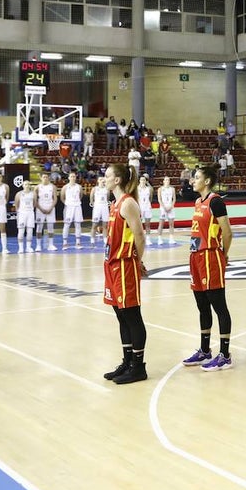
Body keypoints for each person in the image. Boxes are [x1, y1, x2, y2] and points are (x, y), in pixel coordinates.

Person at [182, 163, 236, 371]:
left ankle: (225, 354)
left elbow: (227, 232)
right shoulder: (198, 202)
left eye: (196, 177)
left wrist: (223, 254)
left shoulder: (216, 202)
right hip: (195, 256)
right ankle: (205, 350)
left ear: (206, 181)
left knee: (219, 305)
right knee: (202, 305)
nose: (193, 180)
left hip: (210, 256)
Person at [100, 163, 149, 385]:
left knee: (131, 315)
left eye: (108, 175)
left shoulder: (128, 203)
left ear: (117, 180)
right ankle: (127, 361)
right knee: (121, 315)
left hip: (124, 265)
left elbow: (140, 235)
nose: (104, 178)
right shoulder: (115, 204)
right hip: (112, 265)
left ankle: (138, 366)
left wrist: (137, 261)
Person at [61, 171, 85, 249]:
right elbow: (62, 197)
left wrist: (76, 202)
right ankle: (65, 243)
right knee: (66, 224)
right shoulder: (65, 187)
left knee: (78, 224)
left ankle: (78, 243)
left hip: (77, 206)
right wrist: (68, 203)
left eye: (74, 176)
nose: (73, 178)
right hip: (68, 207)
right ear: (68, 178)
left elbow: (81, 196)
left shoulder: (79, 187)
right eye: (71, 176)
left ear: (75, 177)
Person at [35, 172, 57, 251]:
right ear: (41, 178)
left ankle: (51, 245)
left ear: (49, 178)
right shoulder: (37, 187)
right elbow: (35, 200)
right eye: (44, 177)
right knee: (39, 227)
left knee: (50, 227)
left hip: (50, 208)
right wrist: (40, 208)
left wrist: (51, 208)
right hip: (40, 208)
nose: (45, 178)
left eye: (46, 177)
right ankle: (38, 246)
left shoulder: (53, 186)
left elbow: (55, 199)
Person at [13, 180, 36, 254]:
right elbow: (16, 204)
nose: (27, 185)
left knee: (30, 231)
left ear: (30, 185)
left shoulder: (33, 194)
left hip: (30, 213)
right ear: (23, 186)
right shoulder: (19, 194)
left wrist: (30, 209)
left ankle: (28, 247)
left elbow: (34, 203)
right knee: (21, 231)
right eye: (25, 184)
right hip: (22, 213)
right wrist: (19, 212)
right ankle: (21, 248)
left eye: (28, 184)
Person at [89, 176, 110, 245]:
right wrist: (93, 203)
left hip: (104, 207)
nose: (102, 180)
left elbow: (108, 198)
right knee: (94, 224)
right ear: (98, 181)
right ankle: (92, 239)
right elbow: (91, 198)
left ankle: (105, 239)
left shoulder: (107, 189)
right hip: (97, 207)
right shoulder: (94, 189)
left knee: (105, 225)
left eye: (103, 179)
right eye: (100, 179)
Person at [156, 177, 176, 245]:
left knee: (171, 224)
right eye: (166, 180)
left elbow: (174, 199)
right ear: (163, 181)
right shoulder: (160, 189)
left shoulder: (172, 189)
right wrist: (164, 207)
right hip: (163, 208)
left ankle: (171, 238)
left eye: (168, 180)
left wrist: (171, 206)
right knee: (161, 223)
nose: (167, 181)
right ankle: (159, 238)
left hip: (170, 207)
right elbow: (159, 199)